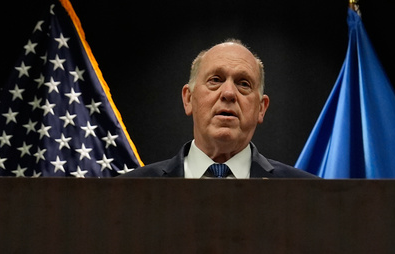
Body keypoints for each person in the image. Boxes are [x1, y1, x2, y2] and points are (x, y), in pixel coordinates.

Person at [124, 40, 317, 179]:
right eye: (215, 80)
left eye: (243, 84)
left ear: (261, 108)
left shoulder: (308, 193)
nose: (229, 93)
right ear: (189, 98)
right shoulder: (129, 190)